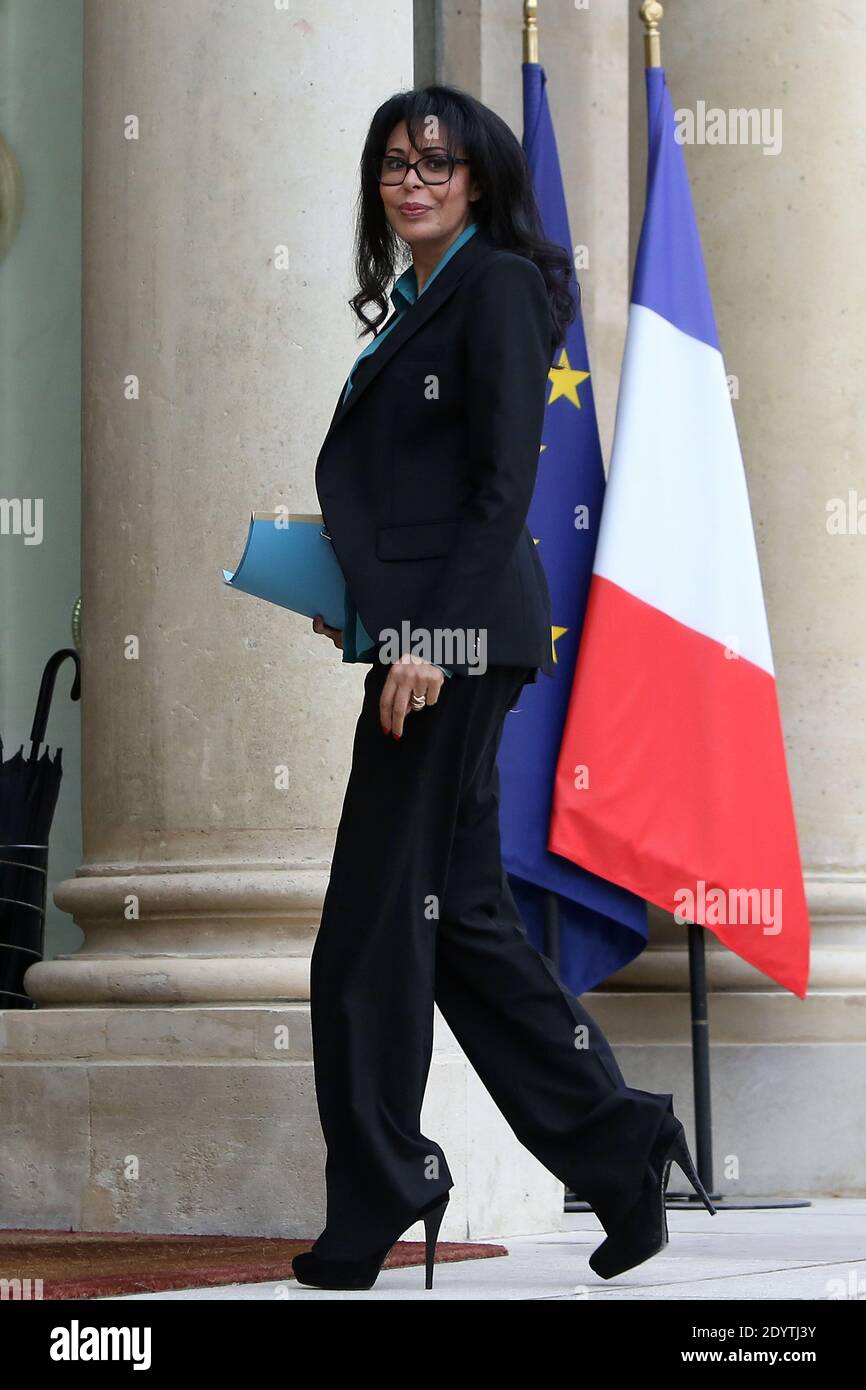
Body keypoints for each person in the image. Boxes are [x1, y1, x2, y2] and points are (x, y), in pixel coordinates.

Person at [293, 84, 714, 1293]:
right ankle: (618, 1140)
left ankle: (381, 1181)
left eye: (435, 163)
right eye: (392, 165)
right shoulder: (425, 295)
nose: (411, 181)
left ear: (476, 178)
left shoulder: (496, 287)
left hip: (454, 646)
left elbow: (499, 486)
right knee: (459, 925)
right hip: (430, 634)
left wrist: (427, 636)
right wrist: (366, 601)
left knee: (365, 934)